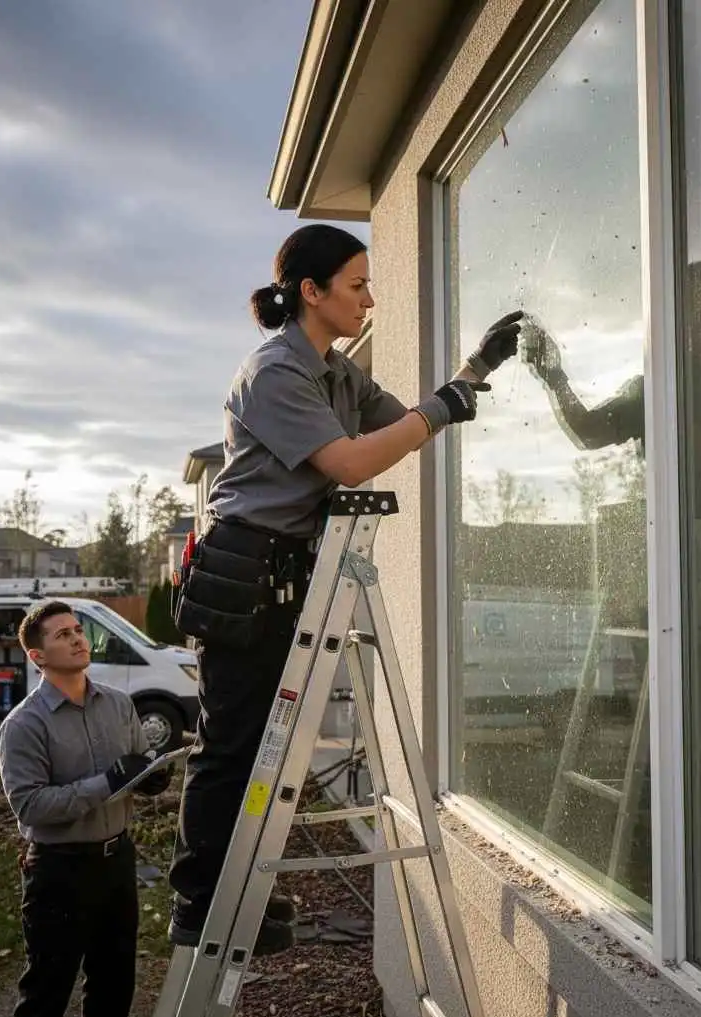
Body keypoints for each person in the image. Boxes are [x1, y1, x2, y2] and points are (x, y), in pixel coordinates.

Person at [167, 223, 523, 955]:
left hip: (286, 570)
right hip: (241, 570)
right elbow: (355, 462)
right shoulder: (275, 372)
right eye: (357, 285)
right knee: (233, 747)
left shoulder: (335, 370)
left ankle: (243, 894)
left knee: (267, 745)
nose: (369, 299)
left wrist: (474, 372)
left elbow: (403, 423)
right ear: (312, 291)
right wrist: (443, 407)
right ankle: (201, 903)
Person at [523, 258, 701, 657]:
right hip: (679, 563)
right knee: (677, 698)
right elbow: (589, 432)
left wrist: (662, 395)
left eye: (690, 308)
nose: (678, 319)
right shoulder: (658, 388)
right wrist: (553, 377)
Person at [0, 599, 172, 1017]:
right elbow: (31, 806)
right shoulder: (24, 725)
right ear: (37, 657)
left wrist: (150, 778)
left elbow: (136, 763)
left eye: (78, 630)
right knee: (46, 991)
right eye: (63, 635)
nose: (78, 638)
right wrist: (108, 782)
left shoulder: (118, 705)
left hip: (116, 863)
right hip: (59, 872)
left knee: (114, 984)